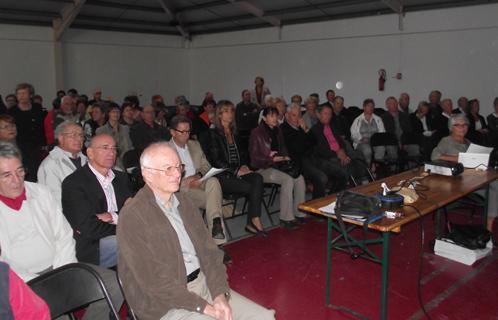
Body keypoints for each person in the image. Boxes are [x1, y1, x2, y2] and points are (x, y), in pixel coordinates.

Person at [117, 142, 275, 320]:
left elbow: (210, 253)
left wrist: (219, 295)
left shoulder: (184, 203)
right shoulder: (133, 216)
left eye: (178, 166)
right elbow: (154, 283)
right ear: (147, 174)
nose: (177, 174)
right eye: (168, 168)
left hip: (203, 285)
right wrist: (204, 308)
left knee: (264, 317)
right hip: (164, 305)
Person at [0, 141, 123, 319]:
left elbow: (63, 234)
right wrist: (38, 282)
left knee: (114, 284)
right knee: (49, 310)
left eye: (20, 171)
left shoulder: (40, 192)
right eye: (6, 175)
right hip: (22, 281)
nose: (17, 180)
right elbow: (3, 263)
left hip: (60, 265)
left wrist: (62, 271)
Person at [61, 134, 132, 267]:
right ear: (90, 153)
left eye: (114, 148)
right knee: (136, 238)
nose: (111, 152)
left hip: (117, 234)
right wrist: (124, 225)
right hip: (93, 245)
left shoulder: (121, 178)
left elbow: (134, 210)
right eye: (105, 148)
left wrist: (112, 216)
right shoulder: (74, 183)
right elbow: (88, 227)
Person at [202, 100, 266, 235]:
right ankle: (253, 222)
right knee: (251, 187)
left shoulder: (235, 131)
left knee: (258, 178)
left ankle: (254, 220)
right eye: (226, 111)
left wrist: (243, 165)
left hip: (237, 172)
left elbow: (243, 154)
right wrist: (236, 170)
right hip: (222, 175)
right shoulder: (213, 134)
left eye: (231, 111)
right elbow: (216, 161)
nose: (230, 114)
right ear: (219, 114)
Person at [431, 114, 498, 234]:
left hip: (474, 179)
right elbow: (435, 156)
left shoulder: (468, 142)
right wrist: (460, 158)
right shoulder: (446, 141)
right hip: (457, 181)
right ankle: (488, 230)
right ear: (451, 127)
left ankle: (488, 228)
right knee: (495, 187)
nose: (462, 128)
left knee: (495, 188)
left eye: (465, 125)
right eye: (458, 125)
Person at [169, 115, 226, 243]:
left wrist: (198, 176)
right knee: (214, 200)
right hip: (181, 189)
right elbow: (166, 177)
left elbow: (206, 165)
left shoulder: (194, 144)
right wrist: (186, 181)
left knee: (213, 181)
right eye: (182, 131)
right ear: (172, 132)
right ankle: (218, 241)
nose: (186, 135)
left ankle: (216, 228)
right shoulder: (166, 150)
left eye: (188, 131)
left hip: (200, 182)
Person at [249, 107, 306, 229]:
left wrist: (285, 157)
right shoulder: (256, 133)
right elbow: (254, 159)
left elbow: (283, 149)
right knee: (288, 179)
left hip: (278, 166)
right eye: (271, 116)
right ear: (264, 118)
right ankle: (286, 218)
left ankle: (299, 212)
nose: (275, 118)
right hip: (262, 169)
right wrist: (271, 159)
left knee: (299, 178)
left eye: (276, 115)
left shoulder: (278, 130)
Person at [311, 104, 367, 192]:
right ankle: (335, 194)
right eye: (325, 113)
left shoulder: (332, 127)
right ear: (319, 115)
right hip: (327, 158)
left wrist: (343, 152)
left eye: (330, 114)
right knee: (346, 168)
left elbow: (341, 142)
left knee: (359, 157)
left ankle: (361, 183)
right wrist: (337, 154)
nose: (328, 116)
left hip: (340, 154)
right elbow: (321, 150)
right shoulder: (315, 130)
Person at [281, 103, 330, 199]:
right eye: (294, 115)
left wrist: (306, 129)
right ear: (287, 116)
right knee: (321, 178)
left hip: (312, 157)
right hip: (298, 161)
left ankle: (331, 199)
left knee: (339, 171)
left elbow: (315, 141)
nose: (297, 118)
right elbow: (298, 149)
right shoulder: (284, 129)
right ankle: (316, 206)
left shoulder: (301, 127)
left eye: (299, 115)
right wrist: (307, 142)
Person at [37, 121, 87, 203]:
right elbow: (54, 200)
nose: (78, 139)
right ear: (60, 138)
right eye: (73, 135)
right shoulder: (51, 164)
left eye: (81, 135)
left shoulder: (88, 160)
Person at [8, 83, 46, 182]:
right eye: (19, 94)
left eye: (24, 93)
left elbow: (41, 127)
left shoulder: (37, 108)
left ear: (30, 95)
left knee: (38, 170)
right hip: (20, 145)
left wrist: (44, 143)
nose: (21, 96)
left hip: (37, 145)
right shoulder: (12, 111)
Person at [350, 98, 390, 166]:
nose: (371, 108)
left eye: (372, 106)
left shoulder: (378, 119)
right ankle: (367, 169)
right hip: (362, 143)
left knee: (382, 148)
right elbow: (353, 134)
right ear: (364, 107)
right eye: (368, 106)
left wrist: (378, 140)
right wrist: (361, 139)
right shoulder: (358, 120)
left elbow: (382, 132)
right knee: (367, 150)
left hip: (375, 142)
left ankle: (376, 167)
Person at [96, 103, 133, 170]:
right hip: (110, 162)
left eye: (118, 112)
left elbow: (129, 145)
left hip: (126, 161)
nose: (116, 114)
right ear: (108, 113)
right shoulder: (101, 130)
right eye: (113, 112)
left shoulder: (125, 128)